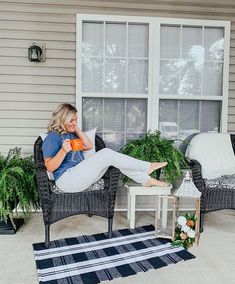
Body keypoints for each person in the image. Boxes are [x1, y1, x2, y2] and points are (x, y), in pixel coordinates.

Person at [42, 103, 168, 193]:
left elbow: (88, 146)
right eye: (72, 120)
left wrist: (76, 129)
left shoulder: (72, 135)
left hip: (80, 176)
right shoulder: (53, 137)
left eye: (76, 120)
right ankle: (147, 167)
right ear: (62, 119)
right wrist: (63, 151)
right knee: (107, 153)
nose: (75, 123)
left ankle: (146, 180)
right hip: (66, 180)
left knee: (116, 161)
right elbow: (49, 166)